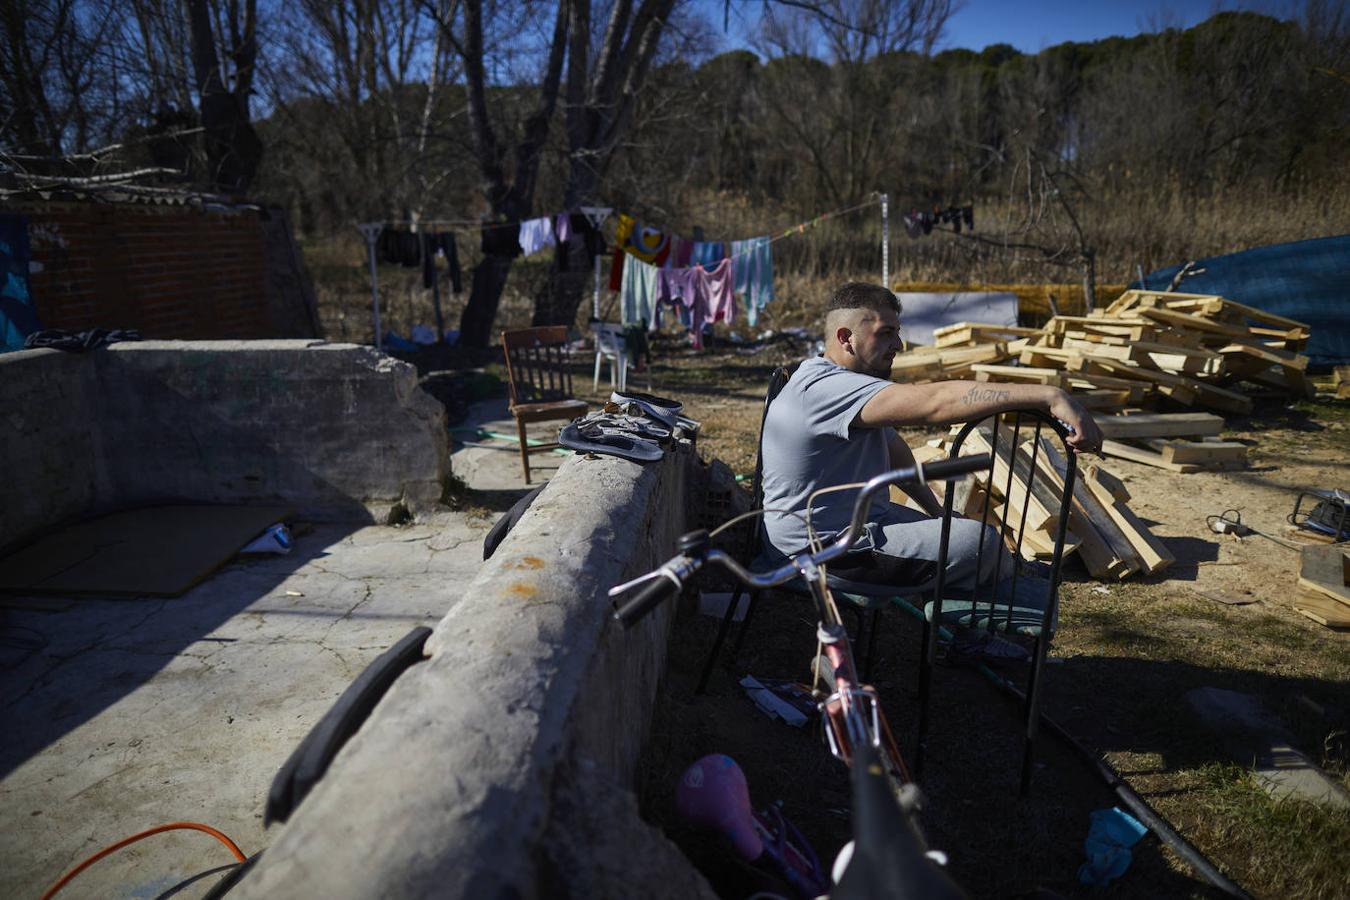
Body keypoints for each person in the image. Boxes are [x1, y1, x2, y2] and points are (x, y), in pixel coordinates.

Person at [760, 281, 1103, 599]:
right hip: (819, 552)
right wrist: (1049, 396)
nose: (899, 344)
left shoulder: (839, 381)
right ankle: (975, 631)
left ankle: (1003, 577)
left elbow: (896, 453)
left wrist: (937, 513)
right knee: (979, 543)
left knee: (962, 534)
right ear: (845, 336)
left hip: (843, 530)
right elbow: (936, 402)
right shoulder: (827, 390)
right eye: (886, 333)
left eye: (898, 332)